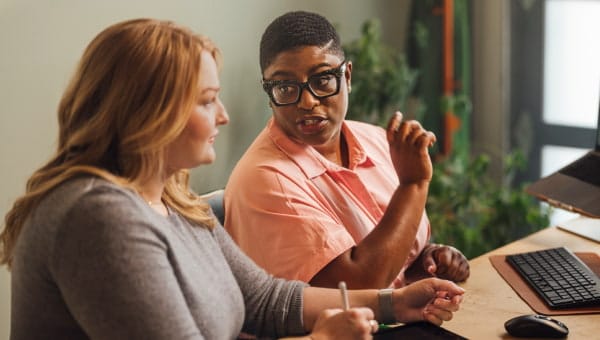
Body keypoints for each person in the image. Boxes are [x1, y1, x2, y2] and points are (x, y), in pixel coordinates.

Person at [0, 18, 465, 339]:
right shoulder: (97, 219)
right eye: (206, 101)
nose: (223, 117)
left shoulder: (171, 197)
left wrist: (395, 304)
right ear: (148, 114)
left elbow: (263, 298)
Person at [224, 11, 470, 289]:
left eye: (322, 80)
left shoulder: (378, 141)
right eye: (284, 87)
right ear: (269, 94)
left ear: (348, 77)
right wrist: (413, 185)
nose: (307, 102)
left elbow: (394, 259)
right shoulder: (266, 179)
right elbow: (358, 286)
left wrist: (428, 259)